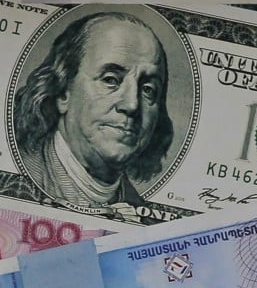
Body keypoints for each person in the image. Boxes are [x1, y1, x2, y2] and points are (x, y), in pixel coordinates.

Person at [13, 11, 174, 219]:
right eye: (110, 80)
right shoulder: (18, 181)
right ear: (63, 92)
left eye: (148, 89)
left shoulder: (145, 218)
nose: (132, 104)